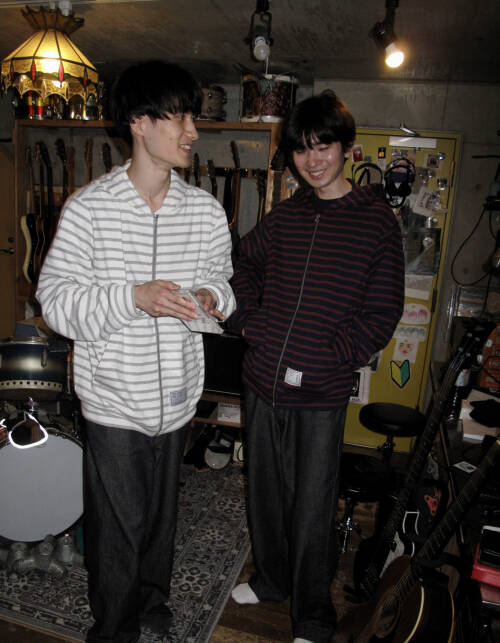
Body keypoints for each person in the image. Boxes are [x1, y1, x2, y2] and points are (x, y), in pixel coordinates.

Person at [36, 60, 235, 643]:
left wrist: (210, 296)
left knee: (160, 519)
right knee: (117, 528)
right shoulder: (88, 209)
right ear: (140, 123)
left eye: (192, 117)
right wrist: (133, 298)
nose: (192, 131)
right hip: (113, 400)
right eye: (179, 117)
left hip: (177, 399)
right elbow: (56, 302)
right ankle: (115, 630)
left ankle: (152, 602)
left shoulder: (204, 211)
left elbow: (223, 282)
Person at [227, 90, 405, 643]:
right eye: (302, 149)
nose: (313, 159)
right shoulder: (286, 215)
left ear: (346, 147)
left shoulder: (376, 222)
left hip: (320, 393)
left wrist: (332, 355)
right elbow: (241, 264)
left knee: (311, 508)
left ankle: (312, 615)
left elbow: (383, 312)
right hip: (262, 381)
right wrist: (250, 323)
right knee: (265, 495)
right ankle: (271, 580)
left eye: (323, 145)